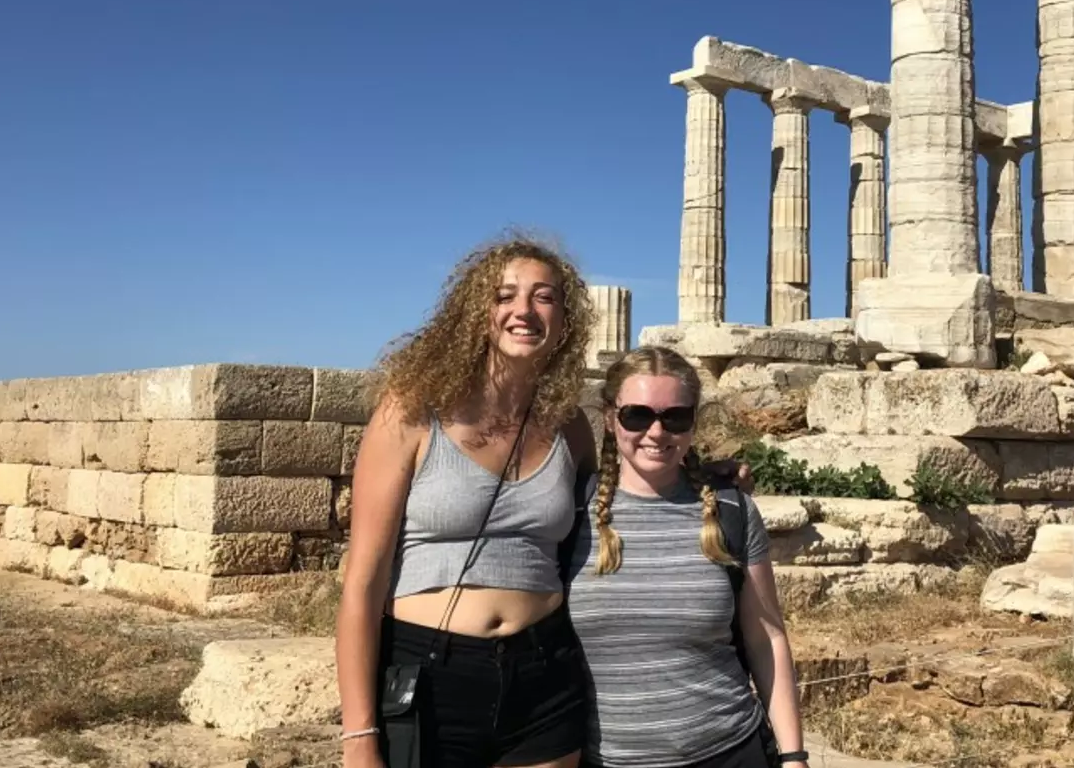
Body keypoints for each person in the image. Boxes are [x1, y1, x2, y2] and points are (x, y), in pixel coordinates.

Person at [335, 236, 598, 768]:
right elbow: (363, 581)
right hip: (431, 672)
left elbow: (618, 497)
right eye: (505, 296)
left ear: (565, 321)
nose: (523, 310)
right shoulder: (410, 412)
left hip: (546, 671)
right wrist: (359, 735)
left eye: (544, 297)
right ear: (477, 313)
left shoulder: (569, 425)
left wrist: (707, 477)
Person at [565, 346, 809, 768]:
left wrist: (794, 757)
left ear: (694, 422)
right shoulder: (567, 514)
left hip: (729, 750)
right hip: (607, 760)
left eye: (675, 417)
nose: (657, 432)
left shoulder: (732, 511)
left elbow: (766, 637)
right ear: (609, 418)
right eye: (637, 415)